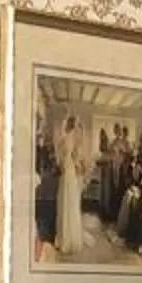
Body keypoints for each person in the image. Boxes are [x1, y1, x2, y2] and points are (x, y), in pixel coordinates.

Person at [51, 109, 89, 258]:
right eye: (69, 124)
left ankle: (68, 238)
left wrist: (79, 167)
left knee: (70, 203)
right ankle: (64, 237)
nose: (68, 126)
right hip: (66, 172)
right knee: (65, 203)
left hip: (70, 172)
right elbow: (62, 157)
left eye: (68, 124)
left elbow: (73, 157)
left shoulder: (69, 138)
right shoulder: (65, 138)